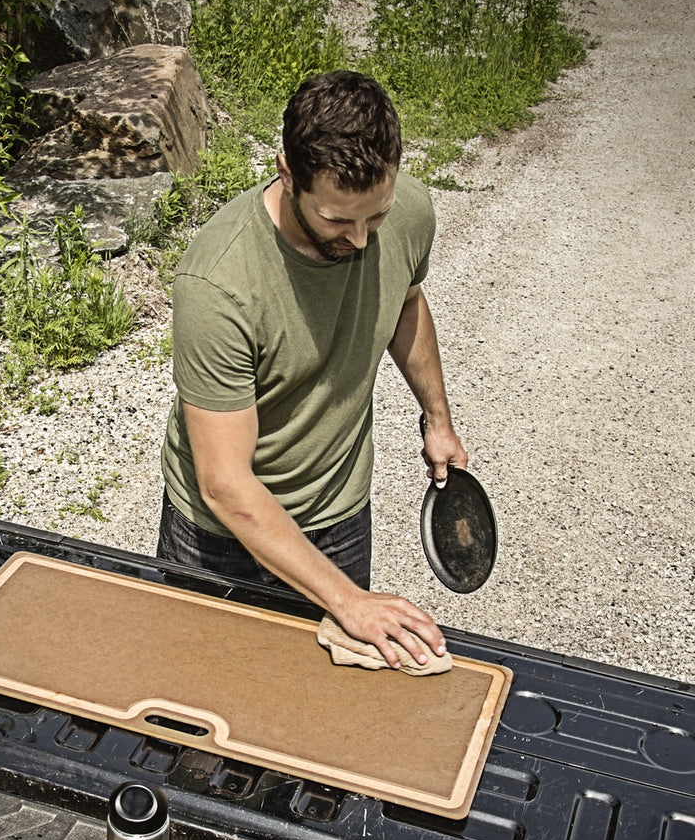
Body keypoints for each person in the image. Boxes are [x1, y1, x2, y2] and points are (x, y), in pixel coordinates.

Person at [157, 69, 469, 670]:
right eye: (334, 220)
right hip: (219, 539)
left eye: (372, 218)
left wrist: (437, 417)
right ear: (286, 171)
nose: (358, 239)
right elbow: (225, 483)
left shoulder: (405, 212)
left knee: (317, 720)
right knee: (198, 722)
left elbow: (406, 299)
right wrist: (349, 601)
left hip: (338, 514)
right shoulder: (219, 284)